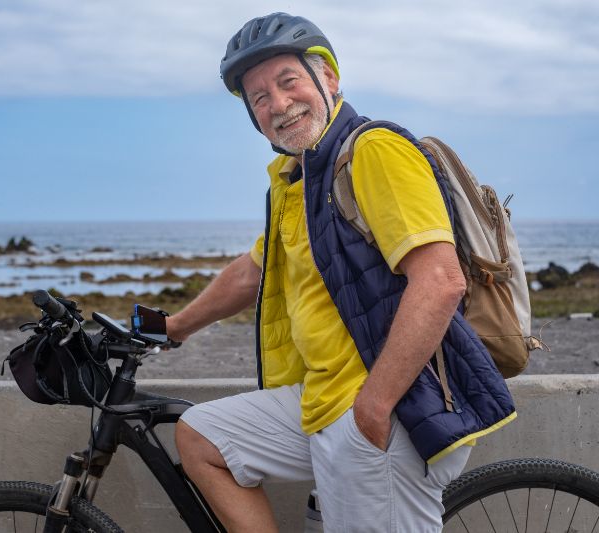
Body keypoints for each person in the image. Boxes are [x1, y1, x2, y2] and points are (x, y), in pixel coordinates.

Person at [165, 12, 516, 532]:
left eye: (288, 83)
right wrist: (172, 328)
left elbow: (440, 280)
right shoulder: (301, 178)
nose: (278, 105)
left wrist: (374, 408)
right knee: (203, 437)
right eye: (259, 98)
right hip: (325, 400)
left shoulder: (372, 151)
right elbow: (252, 272)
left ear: (328, 79)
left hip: (389, 407)